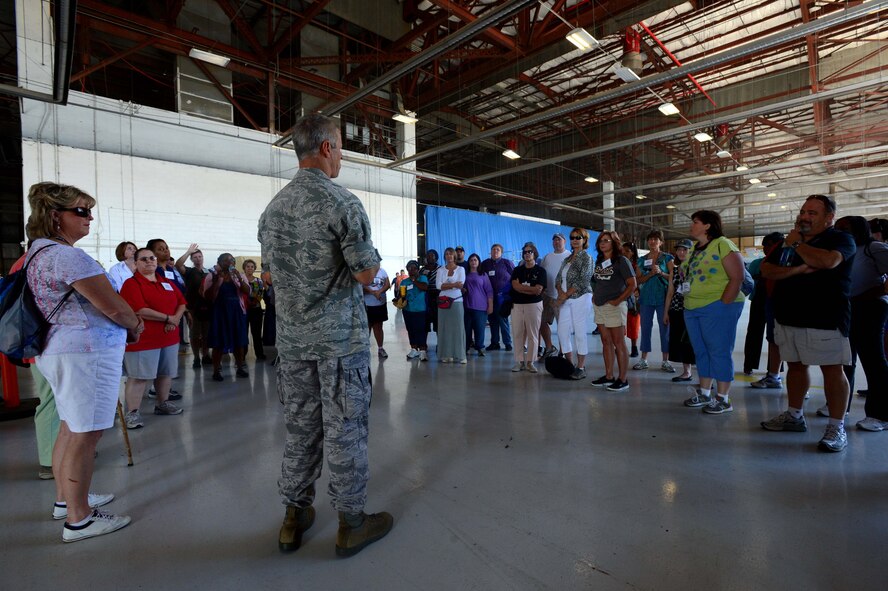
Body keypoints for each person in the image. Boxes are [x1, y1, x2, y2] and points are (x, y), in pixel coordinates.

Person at [257, 114, 392, 557]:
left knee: (300, 432)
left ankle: (294, 518)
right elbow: (367, 272)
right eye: (341, 148)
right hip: (338, 344)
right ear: (328, 148)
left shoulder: (273, 209)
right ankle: (351, 523)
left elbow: (273, 275)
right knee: (345, 431)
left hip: (293, 346)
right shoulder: (343, 203)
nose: (342, 158)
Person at [25, 182, 143, 542]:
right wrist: (135, 325)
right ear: (55, 216)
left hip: (64, 350)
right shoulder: (68, 257)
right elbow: (112, 305)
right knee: (84, 435)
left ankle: (67, 499)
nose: (89, 217)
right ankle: (79, 519)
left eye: (89, 210)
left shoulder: (39, 252)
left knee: (69, 427)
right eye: (81, 211)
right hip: (85, 354)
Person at [760, 195, 856, 452]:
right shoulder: (785, 243)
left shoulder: (840, 239)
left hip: (825, 318)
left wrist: (799, 244)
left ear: (829, 218)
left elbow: (828, 261)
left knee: (832, 371)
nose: (804, 216)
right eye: (803, 211)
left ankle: (836, 426)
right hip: (788, 316)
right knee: (796, 367)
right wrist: (797, 270)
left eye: (812, 213)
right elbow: (767, 270)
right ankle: (794, 415)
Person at [680, 211, 746, 414]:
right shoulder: (694, 249)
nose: (692, 225)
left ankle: (723, 398)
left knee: (719, 350)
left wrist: (724, 303)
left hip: (717, 306)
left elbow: (738, 276)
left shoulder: (723, 244)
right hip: (692, 306)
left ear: (708, 225)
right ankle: (705, 393)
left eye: (696, 222)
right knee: (701, 351)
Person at [119, 248, 187, 428]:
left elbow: (182, 302)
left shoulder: (166, 282)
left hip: (169, 338)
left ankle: (162, 403)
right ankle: (132, 413)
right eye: (144, 259)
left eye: (152, 258)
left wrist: (176, 318)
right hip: (145, 340)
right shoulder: (131, 284)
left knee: (165, 373)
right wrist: (167, 318)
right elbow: (140, 309)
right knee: (139, 377)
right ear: (135, 263)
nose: (149, 261)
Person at [834, 216, 888, 431]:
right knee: (845, 359)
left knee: (873, 360)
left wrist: (878, 290)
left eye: (844, 228)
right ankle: (840, 406)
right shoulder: (842, 249)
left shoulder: (873, 248)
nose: (839, 232)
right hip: (847, 308)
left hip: (870, 308)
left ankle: (880, 414)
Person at [590, 231, 636, 391]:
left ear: (614, 243)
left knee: (618, 343)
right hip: (599, 305)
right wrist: (595, 295)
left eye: (606, 241)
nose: (602, 243)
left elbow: (632, 284)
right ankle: (609, 376)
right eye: (600, 241)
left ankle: (623, 379)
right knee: (605, 341)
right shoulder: (600, 260)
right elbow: (597, 281)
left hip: (615, 306)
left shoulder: (621, 260)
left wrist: (617, 300)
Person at [201, 253, 250, 381]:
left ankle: (240, 367)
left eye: (231, 260)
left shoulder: (239, 275)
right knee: (218, 342)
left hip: (236, 311)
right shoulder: (212, 275)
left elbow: (247, 291)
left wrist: (239, 277)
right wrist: (217, 281)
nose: (229, 263)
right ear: (219, 262)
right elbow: (207, 296)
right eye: (226, 260)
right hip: (219, 312)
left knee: (239, 341)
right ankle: (216, 371)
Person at [746, 233, 785, 387]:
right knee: (754, 333)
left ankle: (775, 370)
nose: (765, 249)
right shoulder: (757, 263)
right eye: (764, 246)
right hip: (759, 300)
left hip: (778, 302)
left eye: (769, 245)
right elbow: (748, 280)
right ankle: (749, 364)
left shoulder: (786, 261)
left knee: (776, 337)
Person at [633, 230, 674, 372]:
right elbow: (637, 280)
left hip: (663, 298)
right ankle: (644, 359)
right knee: (645, 328)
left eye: (656, 239)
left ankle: (666, 360)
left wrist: (661, 273)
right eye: (650, 239)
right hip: (646, 298)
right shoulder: (641, 260)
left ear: (661, 242)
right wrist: (650, 274)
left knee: (665, 329)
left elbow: (673, 277)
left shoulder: (668, 258)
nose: (652, 242)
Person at [556, 228, 594, 380]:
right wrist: (560, 292)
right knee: (561, 331)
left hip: (580, 297)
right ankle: (569, 364)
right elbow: (558, 278)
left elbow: (584, 279)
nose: (575, 240)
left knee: (579, 331)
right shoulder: (567, 258)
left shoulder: (587, 258)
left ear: (584, 240)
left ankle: (581, 367)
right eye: (572, 237)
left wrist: (565, 294)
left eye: (578, 237)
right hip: (565, 299)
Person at [510, 242, 547, 373]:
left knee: (533, 334)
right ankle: (519, 361)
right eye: (525, 252)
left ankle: (531, 362)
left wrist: (523, 289)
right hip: (517, 305)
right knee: (518, 333)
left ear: (534, 254)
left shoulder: (541, 271)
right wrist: (530, 289)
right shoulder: (517, 270)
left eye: (529, 251)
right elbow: (515, 286)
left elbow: (538, 291)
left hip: (534, 305)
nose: (527, 254)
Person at [663, 239, 696, 383]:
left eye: (685, 249)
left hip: (693, 309)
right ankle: (686, 372)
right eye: (679, 250)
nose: (681, 252)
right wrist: (666, 312)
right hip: (676, 309)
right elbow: (670, 292)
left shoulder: (696, 268)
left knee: (695, 341)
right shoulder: (674, 270)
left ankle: (705, 376)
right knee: (680, 341)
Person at [175, 244, 211, 368]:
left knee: (206, 333)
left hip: (207, 307)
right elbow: (178, 265)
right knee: (195, 334)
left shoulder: (208, 272)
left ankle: (206, 355)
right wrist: (188, 252)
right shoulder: (189, 271)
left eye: (200, 256)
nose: (198, 259)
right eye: (195, 257)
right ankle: (196, 357)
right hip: (193, 307)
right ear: (191, 259)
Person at [540, 233, 570, 358]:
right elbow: (541, 274)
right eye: (554, 240)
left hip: (562, 297)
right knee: (541, 322)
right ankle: (549, 347)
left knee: (562, 326)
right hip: (547, 295)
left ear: (565, 242)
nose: (557, 242)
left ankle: (563, 351)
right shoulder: (547, 257)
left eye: (559, 240)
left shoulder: (570, 256)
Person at [480, 244, 515, 351]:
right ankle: (495, 343)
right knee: (492, 321)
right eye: (493, 249)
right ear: (490, 251)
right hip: (489, 298)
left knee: (503, 320)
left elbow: (514, 277)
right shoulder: (485, 263)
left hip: (503, 298)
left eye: (498, 249)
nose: (495, 251)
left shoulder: (507, 263)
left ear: (501, 252)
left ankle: (507, 343)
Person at [436, 247, 467, 364]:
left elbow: (461, 284)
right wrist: (453, 284)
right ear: (445, 256)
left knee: (458, 328)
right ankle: (446, 354)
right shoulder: (440, 270)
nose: (449, 256)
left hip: (457, 301)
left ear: (454, 256)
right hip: (443, 302)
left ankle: (460, 355)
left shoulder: (461, 269)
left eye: (451, 254)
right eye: (447, 254)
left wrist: (447, 285)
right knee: (444, 328)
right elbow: (438, 286)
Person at [463, 253, 494, 357]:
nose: (473, 262)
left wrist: (490, 305)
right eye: (471, 260)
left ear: (479, 262)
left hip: (480, 307)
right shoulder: (465, 275)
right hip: (467, 306)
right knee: (467, 329)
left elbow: (489, 291)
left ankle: (480, 347)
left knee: (479, 329)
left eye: (475, 260)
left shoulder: (483, 275)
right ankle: (465, 347)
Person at [400, 260, 429, 360]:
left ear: (418, 269)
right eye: (409, 268)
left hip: (421, 309)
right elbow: (402, 294)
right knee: (410, 329)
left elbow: (424, 287)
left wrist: (414, 281)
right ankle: (413, 349)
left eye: (414, 268)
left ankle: (423, 351)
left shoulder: (423, 278)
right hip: (408, 310)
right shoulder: (404, 282)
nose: (412, 270)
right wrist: (400, 300)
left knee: (421, 330)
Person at [363, 266, 390, 359]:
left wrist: (379, 291)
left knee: (378, 327)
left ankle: (380, 348)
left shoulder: (383, 271)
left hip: (379, 304)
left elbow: (387, 284)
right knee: (367, 327)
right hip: (367, 304)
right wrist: (373, 292)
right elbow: (361, 285)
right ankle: (365, 349)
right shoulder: (365, 271)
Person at [243, 259, 267, 361]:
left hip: (256, 310)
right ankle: (242, 354)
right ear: (244, 268)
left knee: (256, 333)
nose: (250, 268)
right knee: (243, 333)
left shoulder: (258, 281)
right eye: (248, 266)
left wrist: (255, 301)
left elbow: (260, 294)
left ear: (254, 269)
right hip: (243, 310)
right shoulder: (241, 280)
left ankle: (259, 354)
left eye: (252, 267)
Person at [622, 242, 641, 357]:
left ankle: (634, 347)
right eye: (623, 251)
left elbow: (639, 281)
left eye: (627, 251)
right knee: (620, 323)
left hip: (634, 299)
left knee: (633, 323)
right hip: (620, 297)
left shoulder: (637, 265)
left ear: (633, 253)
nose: (624, 253)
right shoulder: (618, 263)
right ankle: (620, 346)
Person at [420, 249, 440, 336]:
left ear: (436, 258)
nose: (430, 257)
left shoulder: (441, 269)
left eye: (432, 256)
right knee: (425, 322)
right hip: (425, 297)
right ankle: (423, 345)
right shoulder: (421, 270)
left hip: (437, 297)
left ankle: (440, 344)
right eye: (428, 255)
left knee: (438, 322)